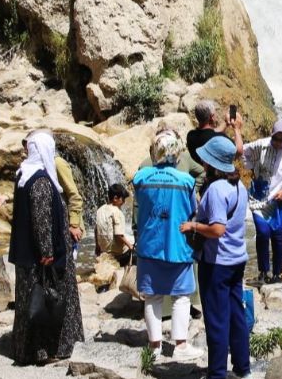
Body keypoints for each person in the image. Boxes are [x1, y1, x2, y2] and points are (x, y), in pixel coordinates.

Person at [8, 131, 84, 365]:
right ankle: (46, 350)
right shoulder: (40, 180)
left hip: (27, 255)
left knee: (29, 301)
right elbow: (42, 221)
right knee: (48, 300)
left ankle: (27, 349)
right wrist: (48, 252)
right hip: (44, 257)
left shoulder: (24, 175)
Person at [179, 137, 250, 379]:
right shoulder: (240, 186)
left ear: (211, 162)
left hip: (217, 263)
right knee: (236, 314)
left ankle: (217, 373)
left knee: (217, 321)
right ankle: (242, 368)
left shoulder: (216, 190)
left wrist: (193, 226)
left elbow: (218, 229)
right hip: (237, 259)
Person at [133, 132, 204, 362]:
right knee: (181, 296)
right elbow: (193, 209)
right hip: (177, 246)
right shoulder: (186, 181)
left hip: (149, 245)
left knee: (152, 297)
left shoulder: (141, 178)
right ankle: (180, 345)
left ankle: (154, 346)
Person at [243, 119, 282, 284]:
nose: (278, 143)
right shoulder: (261, 145)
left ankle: (277, 274)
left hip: (279, 198)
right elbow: (243, 151)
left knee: (277, 236)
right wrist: (252, 166)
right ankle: (263, 272)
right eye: (275, 138)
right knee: (262, 233)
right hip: (260, 197)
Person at [95, 184, 134, 267]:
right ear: (116, 198)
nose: (124, 202)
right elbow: (118, 235)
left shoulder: (100, 210)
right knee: (135, 252)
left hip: (103, 251)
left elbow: (96, 230)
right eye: (123, 199)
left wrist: (97, 246)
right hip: (116, 254)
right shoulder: (117, 212)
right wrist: (130, 246)